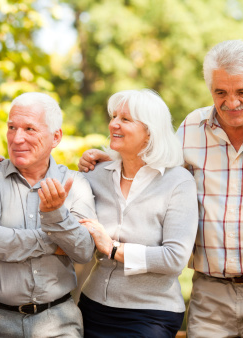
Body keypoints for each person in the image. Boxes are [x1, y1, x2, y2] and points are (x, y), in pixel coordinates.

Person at [78, 40, 243, 337]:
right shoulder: (191, 127)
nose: (231, 102)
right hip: (210, 291)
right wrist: (111, 157)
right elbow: (157, 160)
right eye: (220, 92)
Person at [0, 92, 96, 338]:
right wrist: (51, 242)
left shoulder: (75, 183)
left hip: (58, 324)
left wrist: (55, 215)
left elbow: (84, 250)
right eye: (11, 127)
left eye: (29, 129)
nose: (17, 138)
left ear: (56, 137)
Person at [75, 89, 198, 337]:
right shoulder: (96, 173)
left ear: (150, 131)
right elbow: (53, 183)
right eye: (114, 116)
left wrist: (112, 248)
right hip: (93, 305)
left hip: (151, 314)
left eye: (125, 119)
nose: (113, 124)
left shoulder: (177, 181)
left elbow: (174, 258)